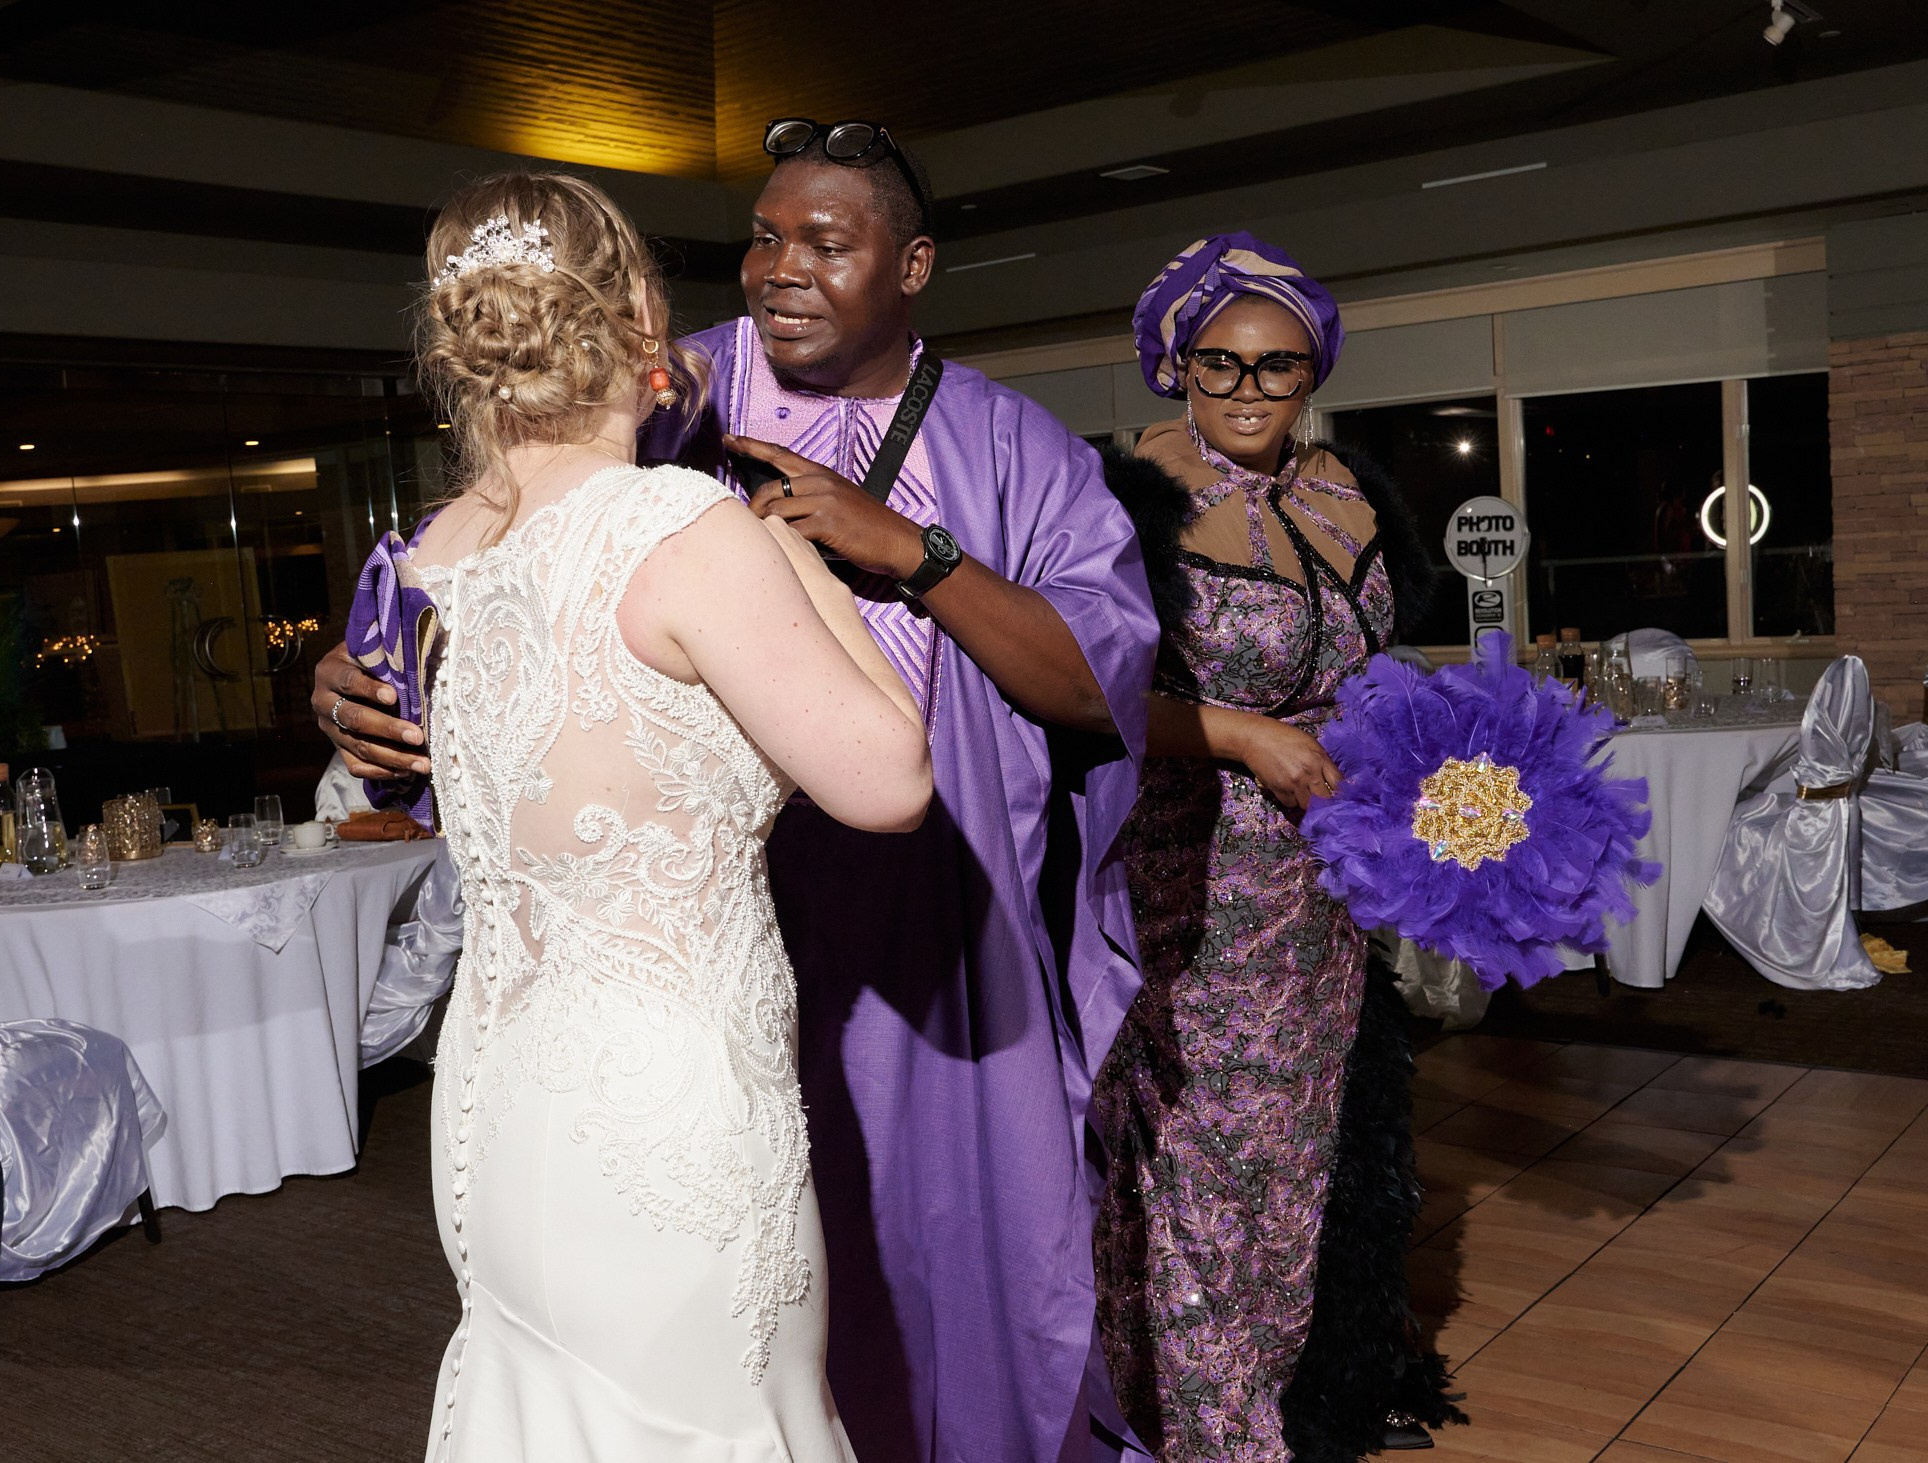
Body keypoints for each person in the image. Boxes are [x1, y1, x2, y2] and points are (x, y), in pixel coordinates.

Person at [315, 124, 1160, 1463]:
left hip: (936, 947)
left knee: (963, 1266)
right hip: (713, 962)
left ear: (916, 264)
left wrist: (914, 554)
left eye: (827, 239)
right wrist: (353, 672)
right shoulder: (671, 400)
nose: (781, 269)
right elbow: (478, 574)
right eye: (762, 236)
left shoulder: (1017, 444)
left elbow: (1093, 678)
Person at [397, 170, 932, 1459]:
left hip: (497, 1091)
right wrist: (801, 556)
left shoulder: (451, 546)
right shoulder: (680, 528)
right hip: (667, 1114)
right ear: (643, 318)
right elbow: (890, 778)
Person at [1091, 232, 1452, 1461]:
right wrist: (1239, 733)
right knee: (1199, 1171)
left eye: (1276, 368)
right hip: (1191, 885)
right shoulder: (1121, 499)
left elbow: (1381, 669)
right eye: (1219, 364)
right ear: (1171, 363)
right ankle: (1208, 1433)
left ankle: (1292, 1399)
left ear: (1314, 373)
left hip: (1327, 889)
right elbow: (1068, 692)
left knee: (1296, 1172)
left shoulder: (1345, 487)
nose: (1246, 393)